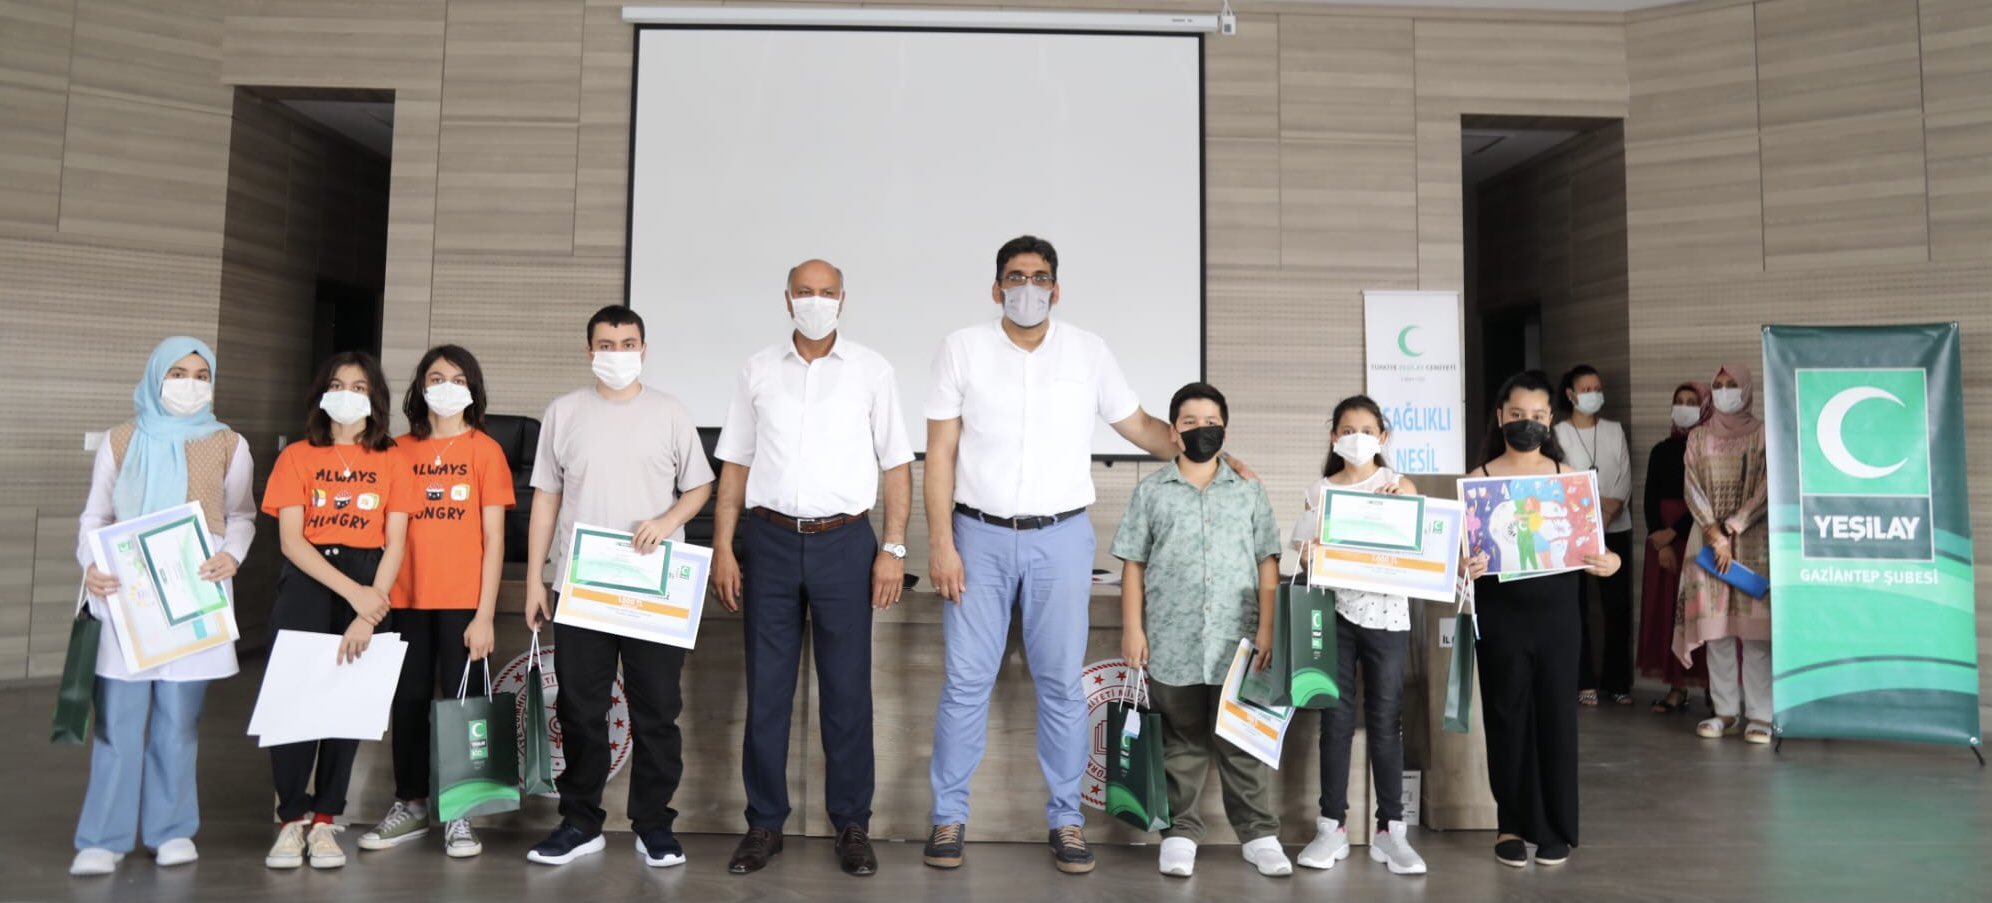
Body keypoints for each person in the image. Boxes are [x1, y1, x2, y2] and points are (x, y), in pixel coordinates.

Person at [922, 235, 1252, 875]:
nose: (1027, 287)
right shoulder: (961, 348)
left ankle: (1066, 820)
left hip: (1061, 538)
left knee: (1060, 685)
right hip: (977, 536)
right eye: (1015, 277)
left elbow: (1144, 427)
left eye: (1039, 277)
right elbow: (940, 453)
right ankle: (948, 817)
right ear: (996, 288)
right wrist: (941, 543)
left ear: (1056, 288)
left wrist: (1214, 454)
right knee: (965, 683)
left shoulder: (1088, 351)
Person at [711, 260, 914, 877]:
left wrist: (894, 548)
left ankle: (851, 824)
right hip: (768, 541)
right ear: (787, 299)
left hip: (845, 542)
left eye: (826, 293)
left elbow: (897, 465)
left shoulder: (873, 371)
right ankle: (764, 824)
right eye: (805, 292)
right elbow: (735, 464)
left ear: (843, 301)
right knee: (766, 692)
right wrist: (723, 546)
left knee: (847, 693)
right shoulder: (756, 370)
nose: (815, 301)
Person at [522, 306, 715, 867]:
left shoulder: (670, 412)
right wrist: (536, 579)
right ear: (590, 351)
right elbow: (546, 499)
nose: (617, 354)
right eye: (606, 345)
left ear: (644, 350)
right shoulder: (563, 413)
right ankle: (581, 822)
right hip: (582, 584)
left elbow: (699, 487)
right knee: (581, 709)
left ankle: (654, 825)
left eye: (628, 344)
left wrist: (668, 521)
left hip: (653, 585)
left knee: (657, 711)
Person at [69, 337, 256, 877]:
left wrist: (232, 555)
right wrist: (91, 562)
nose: (189, 384)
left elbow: (242, 514)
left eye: (201, 375)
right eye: (177, 373)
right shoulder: (120, 440)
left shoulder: (229, 443)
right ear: (156, 377)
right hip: (126, 599)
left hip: (192, 597)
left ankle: (172, 831)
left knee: (178, 724)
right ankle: (102, 838)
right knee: (117, 723)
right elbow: (94, 517)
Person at [1113, 383, 1287, 879]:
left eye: (1210, 422)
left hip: (1240, 641)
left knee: (1243, 741)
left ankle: (1259, 835)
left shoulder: (1248, 490)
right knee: (1180, 743)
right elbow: (1133, 563)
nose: (1201, 430)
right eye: (1189, 422)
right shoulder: (1151, 491)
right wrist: (1132, 628)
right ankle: (1180, 834)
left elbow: (1268, 562)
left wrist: (1268, 628)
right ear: (1173, 431)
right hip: (1173, 640)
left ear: (1224, 430)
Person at [357, 345, 514, 858]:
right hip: (404, 599)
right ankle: (411, 804)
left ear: (473, 390)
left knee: (464, 706)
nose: (447, 387)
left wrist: (485, 614)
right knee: (408, 704)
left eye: (458, 379)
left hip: (464, 603)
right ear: (421, 387)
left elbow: (494, 540)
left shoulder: (486, 451)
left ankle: (460, 814)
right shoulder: (395, 450)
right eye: (436, 377)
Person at [1461, 371, 1622, 868]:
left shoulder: (1569, 481)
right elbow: (1458, 561)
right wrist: (1464, 567)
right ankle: (1509, 823)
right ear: (1500, 417)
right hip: (1500, 615)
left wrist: (1611, 562)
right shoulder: (1478, 483)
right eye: (1516, 415)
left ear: (1549, 419)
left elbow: (1597, 551)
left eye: (1535, 415)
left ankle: (1555, 826)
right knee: (1506, 716)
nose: (1526, 423)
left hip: (1558, 617)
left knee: (1556, 717)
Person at [260, 350, 411, 870]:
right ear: (321, 395)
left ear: (376, 399)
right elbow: (291, 540)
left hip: (370, 578)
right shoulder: (296, 456)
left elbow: (395, 541)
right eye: (338, 385)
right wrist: (354, 594)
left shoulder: (392, 459)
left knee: (346, 705)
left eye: (360, 387)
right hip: (310, 579)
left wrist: (368, 612)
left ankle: (325, 820)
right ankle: (291, 819)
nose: (348, 395)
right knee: (294, 703)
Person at [1289, 395, 1427, 876]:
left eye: (1367, 430)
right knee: (1335, 720)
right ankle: (1332, 828)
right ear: (1333, 437)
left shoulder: (1398, 484)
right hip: (1334, 615)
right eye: (1348, 430)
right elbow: (1301, 555)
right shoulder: (1318, 491)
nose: (1357, 438)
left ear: (1382, 437)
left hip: (1387, 617)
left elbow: (1419, 549)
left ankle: (1391, 831)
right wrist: (1312, 550)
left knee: (1387, 721)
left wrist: (1398, 511)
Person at [1673, 364, 1771, 744]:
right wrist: (1714, 534)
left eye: (1732, 384)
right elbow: (1691, 486)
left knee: (1756, 633)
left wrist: (1734, 526)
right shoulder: (1699, 436)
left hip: (1754, 542)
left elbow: (1768, 486)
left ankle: (1761, 714)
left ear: (1746, 390)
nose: (1725, 390)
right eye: (1718, 384)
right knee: (1716, 632)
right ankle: (1725, 711)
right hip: (1707, 542)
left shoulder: (1763, 433)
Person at [1554, 365, 1635, 707]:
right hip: (1575, 529)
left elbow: (1625, 476)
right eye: (1586, 389)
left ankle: (1618, 683)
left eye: (1597, 388)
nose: (1593, 394)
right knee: (1576, 608)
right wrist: (1593, 510)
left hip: (1617, 525)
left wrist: (1608, 511)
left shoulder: (1614, 430)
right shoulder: (1558, 433)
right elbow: (1564, 481)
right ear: (1570, 394)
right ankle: (1582, 680)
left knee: (1617, 609)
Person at [1637, 382, 1710, 713]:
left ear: (1704, 408)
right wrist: (1659, 538)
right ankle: (1676, 688)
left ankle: (1713, 689)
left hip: (1695, 535)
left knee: (1701, 610)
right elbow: (1650, 498)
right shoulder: (1661, 450)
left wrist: (1674, 533)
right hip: (1663, 545)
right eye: (1679, 401)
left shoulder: (1709, 448)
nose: (1684, 407)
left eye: (1692, 402)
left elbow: (1705, 500)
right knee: (1668, 611)